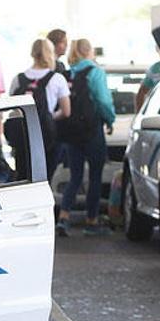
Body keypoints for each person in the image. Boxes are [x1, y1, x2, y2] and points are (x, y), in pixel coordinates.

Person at [57, 39, 115, 237]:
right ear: (89, 51)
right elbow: (103, 100)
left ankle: (63, 217)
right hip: (92, 130)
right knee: (95, 176)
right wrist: (110, 119)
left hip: (71, 132)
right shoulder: (95, 72)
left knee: (75, 176)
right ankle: (91, 221)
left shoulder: (68, 74)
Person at [8, 38, 71, 179]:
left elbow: (12, 108)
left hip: (22, 136)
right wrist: (48, 116)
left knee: (23, 176)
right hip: (45, 136)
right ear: (50, 53)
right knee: (44, 177)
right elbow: (66, 111)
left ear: (32, 53)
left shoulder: (18, 79)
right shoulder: (57, 78)